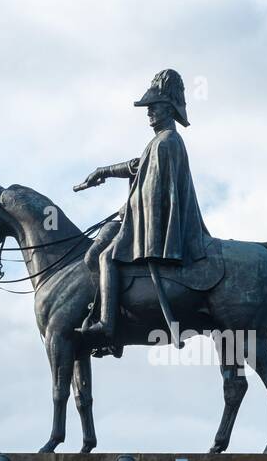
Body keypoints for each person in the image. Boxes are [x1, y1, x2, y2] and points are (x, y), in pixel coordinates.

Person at [74, 68, 210, 343]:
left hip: (155, 225)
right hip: (145, 217)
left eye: (154, 108)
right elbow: (138, 167)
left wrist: (128, 208)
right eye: (148, 109)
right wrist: (105, 171)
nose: (149, 114)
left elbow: (154, 191)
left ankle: (107, 323)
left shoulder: (166, 143)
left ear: (169, 109)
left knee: (105, 258)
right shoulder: (159, 142)